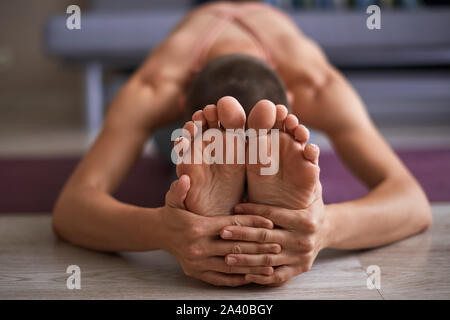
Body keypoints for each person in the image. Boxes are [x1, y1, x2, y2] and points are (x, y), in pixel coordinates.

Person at [53, 1, 431, 287]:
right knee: (188, 154)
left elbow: (414, 204)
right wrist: (164, 229)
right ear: (180, 103)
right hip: (191, 116)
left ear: (294, 100)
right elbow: (69, 211)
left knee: (197, 161)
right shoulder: (157, 85)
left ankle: (228, 173)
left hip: (238, 106)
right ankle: (241, 168)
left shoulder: (315, 82)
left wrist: (325, 227)